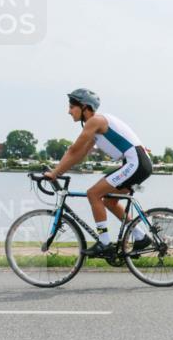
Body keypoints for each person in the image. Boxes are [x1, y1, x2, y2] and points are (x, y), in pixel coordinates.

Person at [45, 89, 153, 257]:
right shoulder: (95, 127)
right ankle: (140, 237)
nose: (69, 111)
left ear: (85, 107)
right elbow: (79, 155)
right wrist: (57, 172)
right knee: (109, 201)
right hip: (138, 163)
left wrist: (54, 173)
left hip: (135, 163)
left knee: (93, 194)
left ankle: (104, 243)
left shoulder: (95, 121)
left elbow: (73, 150)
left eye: (72, 107)